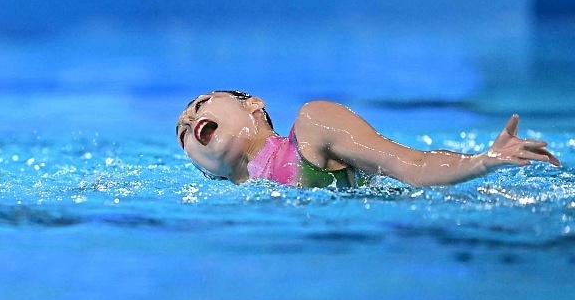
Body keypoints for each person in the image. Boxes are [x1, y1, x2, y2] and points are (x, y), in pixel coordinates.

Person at [176, 90, 561, 188]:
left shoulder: (312, 127)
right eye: (182, 134)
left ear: (253, 105)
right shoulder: (221, 214)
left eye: (201, 104)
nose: (191, 120)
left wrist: (484, 160)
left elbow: (411, 164)